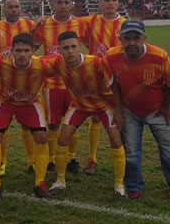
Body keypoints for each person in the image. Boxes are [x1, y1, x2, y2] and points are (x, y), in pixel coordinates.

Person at [104, 20, 170, 201]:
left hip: (158, 110)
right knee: (132, 152)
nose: (132, 43)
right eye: (127, 38)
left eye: (137, 38)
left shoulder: (159, 56)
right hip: (130, 111)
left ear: (144, 38)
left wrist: (166, 106)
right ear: (120, 39)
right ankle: (134, 186)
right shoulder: (111, 57)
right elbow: (114, 85)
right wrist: (118, 111)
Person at [42, 32, 126, 197]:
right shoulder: (58, 62)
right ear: (59, 50)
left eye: (73, 47)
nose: (70, 51)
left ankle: (119, 184)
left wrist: (118, 110)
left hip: (104, 105)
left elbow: (115, 86)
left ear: (79, 46)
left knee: (116, 140)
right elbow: (34, 62)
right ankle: (60, 181)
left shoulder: (96, 63)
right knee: (62, 139)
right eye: (66, 48)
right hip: (79, 105)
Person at [0, 33, 56, 199]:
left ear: (32, 51)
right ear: (11, 50)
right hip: (4, 103)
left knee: (42, 137)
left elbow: (63, 66)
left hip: (30, 104)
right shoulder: (1, 61)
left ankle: (40, 182)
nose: (22, 54)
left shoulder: (43, 65)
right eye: (18, 51)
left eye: (26, 51)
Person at [31, 0, 86, 176]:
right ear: (53, 5)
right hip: (51, 84)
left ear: (71, 4)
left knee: (73, 122)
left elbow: (93, 43)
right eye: (59, 3)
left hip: (74, 83)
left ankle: (72, 158)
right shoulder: (44, 24)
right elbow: (31, 48)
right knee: (53, 124)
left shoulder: (80, 23)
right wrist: (31, 29)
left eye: (66, 2)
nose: (63, 6)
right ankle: (52, 160)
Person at [0, 0, 36, 175]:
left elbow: (38, 43)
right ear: (4, 9)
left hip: (26, 80)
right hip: (2, 82)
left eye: (16, 7)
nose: (13, 10)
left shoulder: (30, 25)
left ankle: (32, 160)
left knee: (28, 125)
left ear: (20, 9)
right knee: (2, 125)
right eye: (10, 7)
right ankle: (2, 161)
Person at [78, 0, 126, 176]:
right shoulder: (91, 21)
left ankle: (124, 157)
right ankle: (92, 158)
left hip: (120, 78)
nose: (110, 3)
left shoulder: (125, 24)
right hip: (95, 76)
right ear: (99, 3)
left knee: (121, 117)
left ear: (119, 3)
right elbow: (67, 23)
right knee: (96, 117)